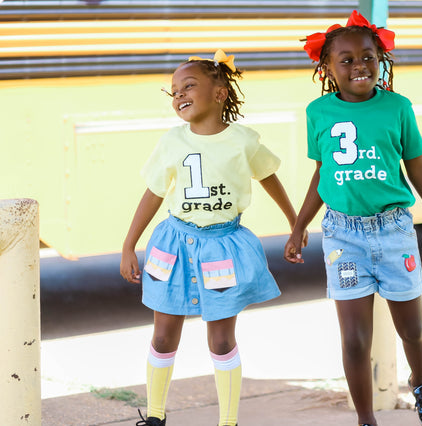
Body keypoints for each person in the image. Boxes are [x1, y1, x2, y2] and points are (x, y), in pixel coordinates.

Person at [284, 11, 422, 426]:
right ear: (326, 68)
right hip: (344, 237)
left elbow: (418, 166)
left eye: (368, 57)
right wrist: (300, 223)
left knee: (412, 329)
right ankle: (365, 420)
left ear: (381, 60)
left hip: (393, 230)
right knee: (355, 339)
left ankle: (420, 381)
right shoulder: (318, 112)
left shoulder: (397, 107)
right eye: (347, 60)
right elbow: (323, 172)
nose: (359, 66)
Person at [121, 49, 305, 426]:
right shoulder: (171, 142)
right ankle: (155, 415)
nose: (179, 95)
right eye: (173, 91)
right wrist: (128, 245)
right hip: (172, 244)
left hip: (222, 248)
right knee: (163, 336)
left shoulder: (243, 141)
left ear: (220, 93)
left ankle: (228, 420)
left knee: (221, 340)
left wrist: (295, 224)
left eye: (189, 86)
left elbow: (270, 178)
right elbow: (153, 193)